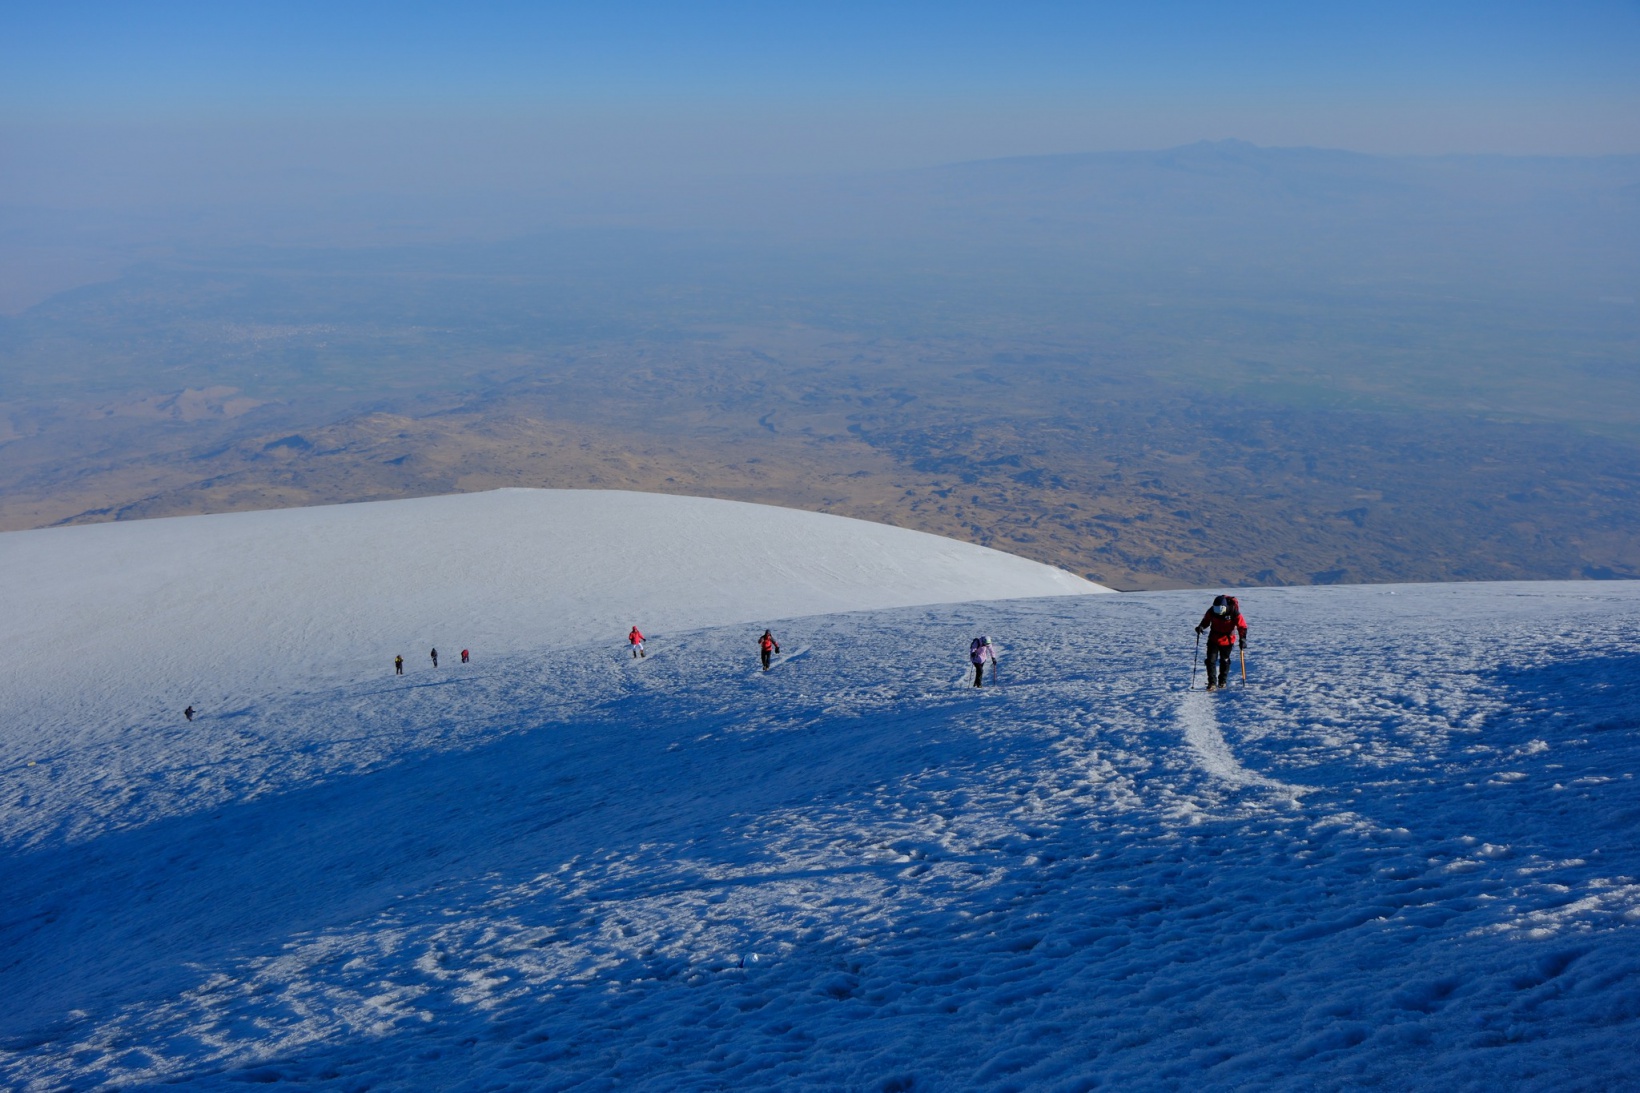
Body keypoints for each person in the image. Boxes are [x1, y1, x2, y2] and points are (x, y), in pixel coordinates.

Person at [1195, 594, 1248, 690]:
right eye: (1216, 609)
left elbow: (1242, 626)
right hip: (1213, 639)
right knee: (1210, 661)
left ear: (1225, 607)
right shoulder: (1212, 611)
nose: (1218, 612)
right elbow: (1206, 620)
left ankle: (1222, 681)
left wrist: (1243, 639)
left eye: (1220, 609)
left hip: (1227, 641)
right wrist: (1201, 627)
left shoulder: (1233, 612)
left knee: (1224, 661)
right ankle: (1212, 683)